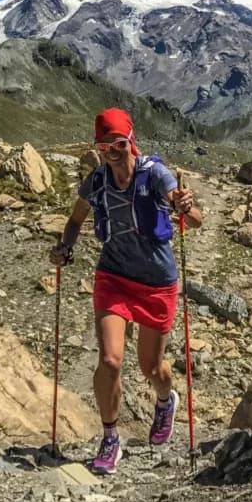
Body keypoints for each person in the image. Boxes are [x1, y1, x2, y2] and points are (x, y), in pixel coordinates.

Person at [49, 107, 202, 474]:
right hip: (113, 276)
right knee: (110, 360)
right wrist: (66, 247)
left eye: (117, 144)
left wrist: (185, 205)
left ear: (131, 140)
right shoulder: (97, 182)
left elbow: (195, 220)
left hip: (156, 283)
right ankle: (110, 437)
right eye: (104, 146)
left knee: (152, 368)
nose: (111, 152)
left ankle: (166, 401)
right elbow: (74, 220)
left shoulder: (155, 175)